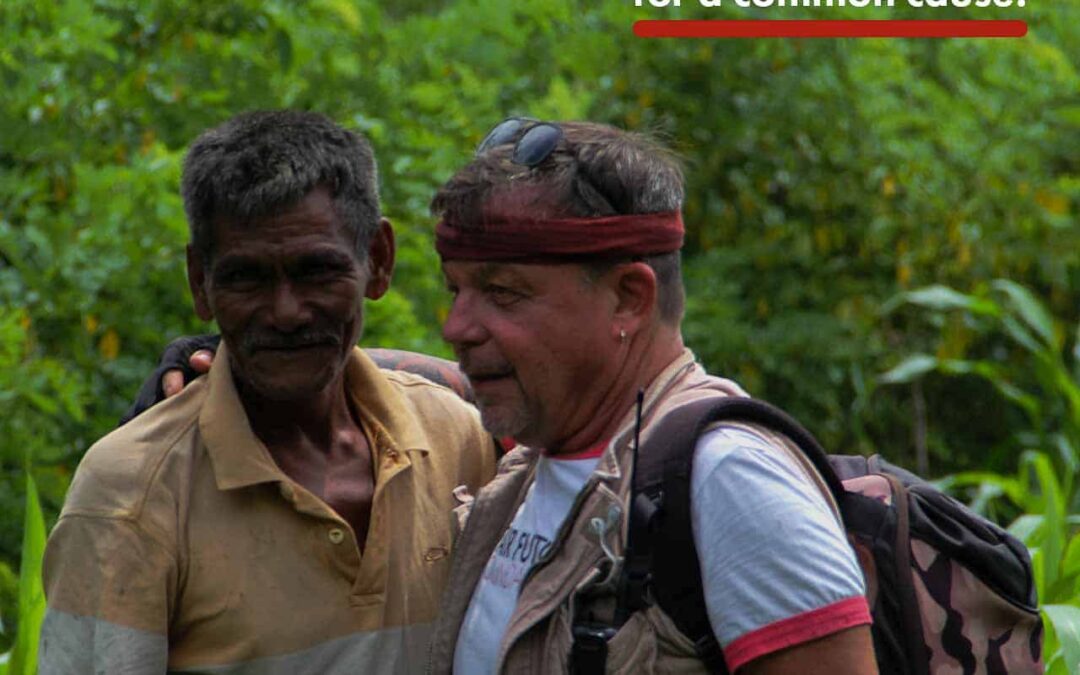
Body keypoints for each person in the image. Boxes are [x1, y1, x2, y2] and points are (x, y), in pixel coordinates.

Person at [38, 110, 496, 674]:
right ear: (199, 282)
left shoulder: (457, 441)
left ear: (378, 260)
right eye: (246, 278)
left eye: (316, 271)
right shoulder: (128, 495)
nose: (284, 312)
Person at [424, 119, 878, 674]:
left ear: (629, 299)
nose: (457, 327)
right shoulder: (525, 473)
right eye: (456, 290)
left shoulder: (731, 480)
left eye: (502, 293)